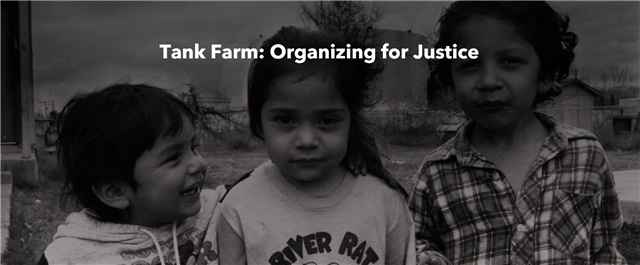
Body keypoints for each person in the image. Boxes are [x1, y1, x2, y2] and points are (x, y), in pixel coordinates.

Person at [409, 0, 628, 264]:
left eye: (509, 61)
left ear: (544, 74)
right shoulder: (436, 173)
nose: (489, 81)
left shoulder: (585, 155)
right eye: (470, 64)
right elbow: (414, 243)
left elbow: (604, 248)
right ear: (451, 83)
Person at [218, 26, 416, 265]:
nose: (307, 141)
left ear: (351, 122)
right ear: (258, 123)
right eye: (285, 120)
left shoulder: (384, 202)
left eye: (327, 120)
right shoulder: (240, 205)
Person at [40, 84, 226, 265]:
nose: (198, 164)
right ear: (116, 191)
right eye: (173, 157)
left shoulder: (217, 210)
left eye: (193, 148)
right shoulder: (67, 258)